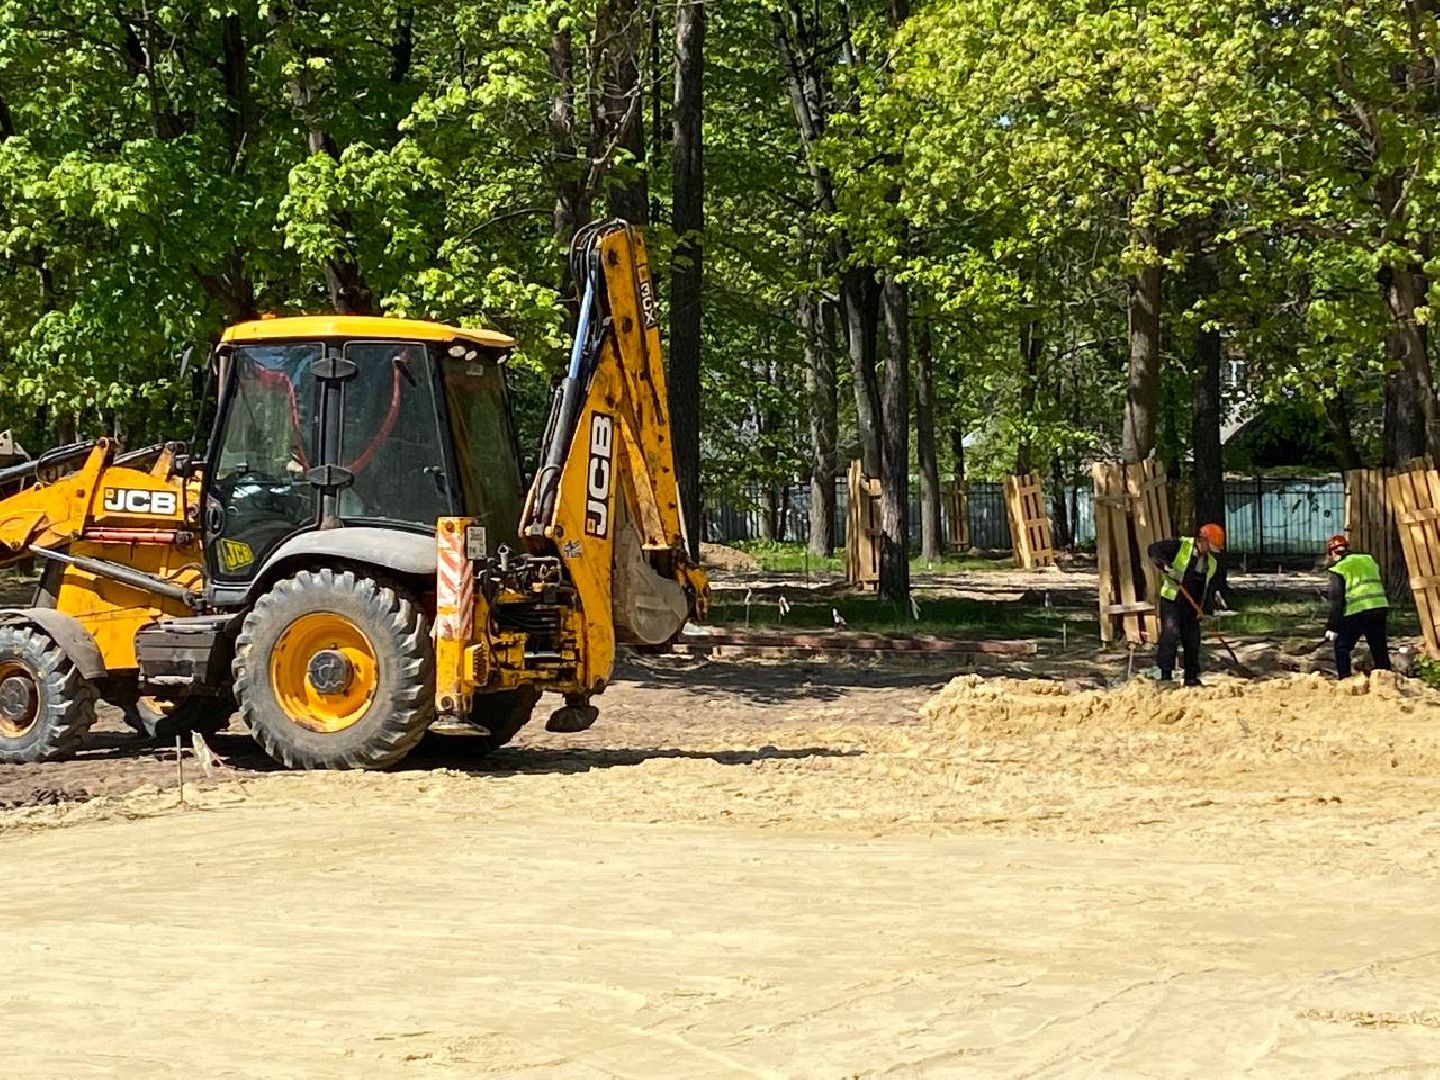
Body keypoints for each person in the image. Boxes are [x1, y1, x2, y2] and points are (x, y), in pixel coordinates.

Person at [1147, 523, 1225, 687]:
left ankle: (1191, 677)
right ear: (1201, 539)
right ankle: (1165, 675)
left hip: (1192, 605)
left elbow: (1207, 588)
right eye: (1209, 546)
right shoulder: (1180, 545)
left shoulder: (1211, 563)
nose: (1209, 550)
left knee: (1192, 640)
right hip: (1173, 600)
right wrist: (1167, 567)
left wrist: (1204, 609)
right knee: (1170, 634)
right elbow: (1153, 550)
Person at [1323, 533, 1391, 679]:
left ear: (1333, 553)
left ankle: (1345, 679)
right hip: (1379, 607)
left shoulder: (1339, 569)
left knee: (1341, 646)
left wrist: (1332, 627)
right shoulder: (1368, 559)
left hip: (1358, 612)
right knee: (1379, 646)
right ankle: (1386, 679)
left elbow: (1337, 601)